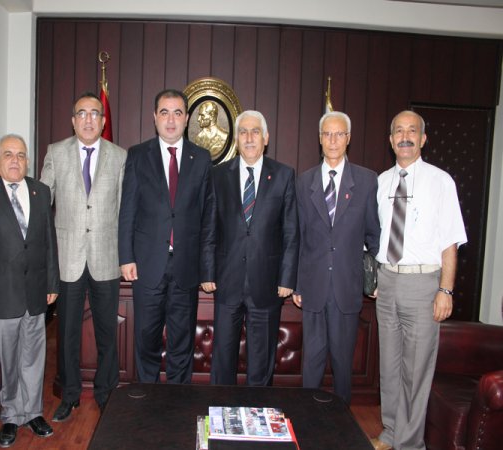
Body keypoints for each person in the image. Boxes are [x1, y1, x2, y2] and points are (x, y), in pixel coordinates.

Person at [371, 111, 467, 450]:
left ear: (423, 139)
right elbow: (376, 236)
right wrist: (375, 278)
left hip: (424, 284)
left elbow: (450, 242)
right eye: (398, 131)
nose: (405, 136)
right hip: (387, 282)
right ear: (391, 140)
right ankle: (391, 433)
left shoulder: (440, 181)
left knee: (415, 371)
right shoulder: (381, 182)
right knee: (389, 367)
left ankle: (410, 444)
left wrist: (445, 289)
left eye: (412, 131)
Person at [0, 134, 59, 447]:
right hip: (0, 295)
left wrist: (52, 283)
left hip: (36, 292)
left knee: (34, 357)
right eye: (8, 154)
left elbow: (48, 242)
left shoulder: (41, 192)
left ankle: (32, 412)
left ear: (27, 161)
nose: (15, 160)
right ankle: (11, 416)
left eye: (21, 155)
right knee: (8, 362)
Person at [40, 92, 127, 420]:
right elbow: (42, 204)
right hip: (68, 259)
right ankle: (70, 395)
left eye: (94, 114)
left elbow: (124, 211)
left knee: (107, 332)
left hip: (106, 257)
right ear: (73, 120)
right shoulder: (56, 152)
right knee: (67, 334)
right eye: (82, 113)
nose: (89, 119)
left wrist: (126, 256)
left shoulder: (119, 156)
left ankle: (106, 393)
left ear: (103, 121)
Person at [118, 88, 213, 383]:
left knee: (182, 345)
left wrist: (207, 268)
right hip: (147, 266)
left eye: (177, 113)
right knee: (146, 341)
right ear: (154, 118)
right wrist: (126, 257)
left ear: (187, 118)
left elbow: (208, 218)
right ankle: (147, 402)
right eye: (164, 113)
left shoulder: (202, 158)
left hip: (186, 267)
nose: (171, 120)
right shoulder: (137, 155)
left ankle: (177, 403)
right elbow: (127, 211)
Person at [200, 110, 299, 386]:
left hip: (267, 284)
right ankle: (222, 407)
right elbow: (209, 227)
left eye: (255, 132)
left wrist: (287, 278)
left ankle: (259, 409)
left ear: (266, 138)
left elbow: (291, 232)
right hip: (226, 281)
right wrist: (207, 271)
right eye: (243, 132)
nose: (249, 137)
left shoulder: (283, 175)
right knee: (223, 359)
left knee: (262, 361)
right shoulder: (218, 175)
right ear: (236, 139)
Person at [293, 111, 380, 405]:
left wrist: (376, 278)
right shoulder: (304, 181)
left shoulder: (366, 181)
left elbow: (374, 234)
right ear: (320, 139)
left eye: (339, 134)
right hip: (312, 287)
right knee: (312, 364)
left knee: (343, 366)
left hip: (347, 286)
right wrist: (297, 283)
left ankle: (343, 422)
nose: (333, 140)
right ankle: (307, 420)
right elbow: (298, 236)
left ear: (348, 138)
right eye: (327, 134)